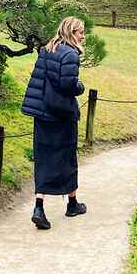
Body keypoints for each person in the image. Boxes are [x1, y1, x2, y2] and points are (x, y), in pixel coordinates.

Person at [20, 16, 87, 230]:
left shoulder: (47, 49)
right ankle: (72, 203)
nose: (83, 37)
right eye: (80, 33)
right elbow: (68, 85)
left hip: (42, 112)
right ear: (70, 32)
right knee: (67, 156)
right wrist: (80, 87)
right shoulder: (70, 54)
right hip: (61, 115)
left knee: (44, 157)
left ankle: (39, 207)